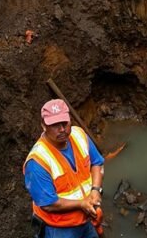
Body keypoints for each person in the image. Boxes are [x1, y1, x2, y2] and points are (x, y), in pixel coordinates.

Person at [24, 99, 106, 237]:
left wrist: (96, 190)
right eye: (55, 125)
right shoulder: (37, 162)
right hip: (59, 227)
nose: (62, 129)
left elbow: (96, 163)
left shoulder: (79, 135)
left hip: (87, 217)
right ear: (43, 126)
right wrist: (81, 204)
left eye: (64, 123)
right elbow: (48, 204)